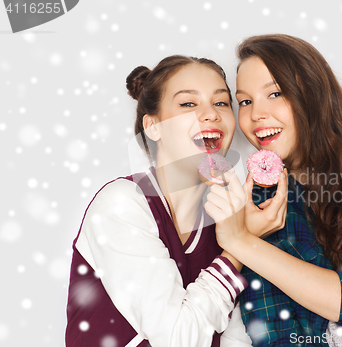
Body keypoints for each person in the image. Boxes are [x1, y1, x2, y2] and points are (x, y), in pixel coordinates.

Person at [205, 34, 342, 346]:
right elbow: (274, 336)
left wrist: (239, 240)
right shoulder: (261, 205)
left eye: (275, 93)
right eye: (245, 101)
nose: (256, 114)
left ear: (313, 94)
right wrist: (244, 237)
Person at [65, 55, 252, 347]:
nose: (211, 114)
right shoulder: (122, 205)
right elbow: (176, 339)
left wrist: (240, 235)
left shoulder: (227, 217)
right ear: (153, 127)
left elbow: (237, 339)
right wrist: (238, 250)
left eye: (221, 103)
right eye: (188, 104)